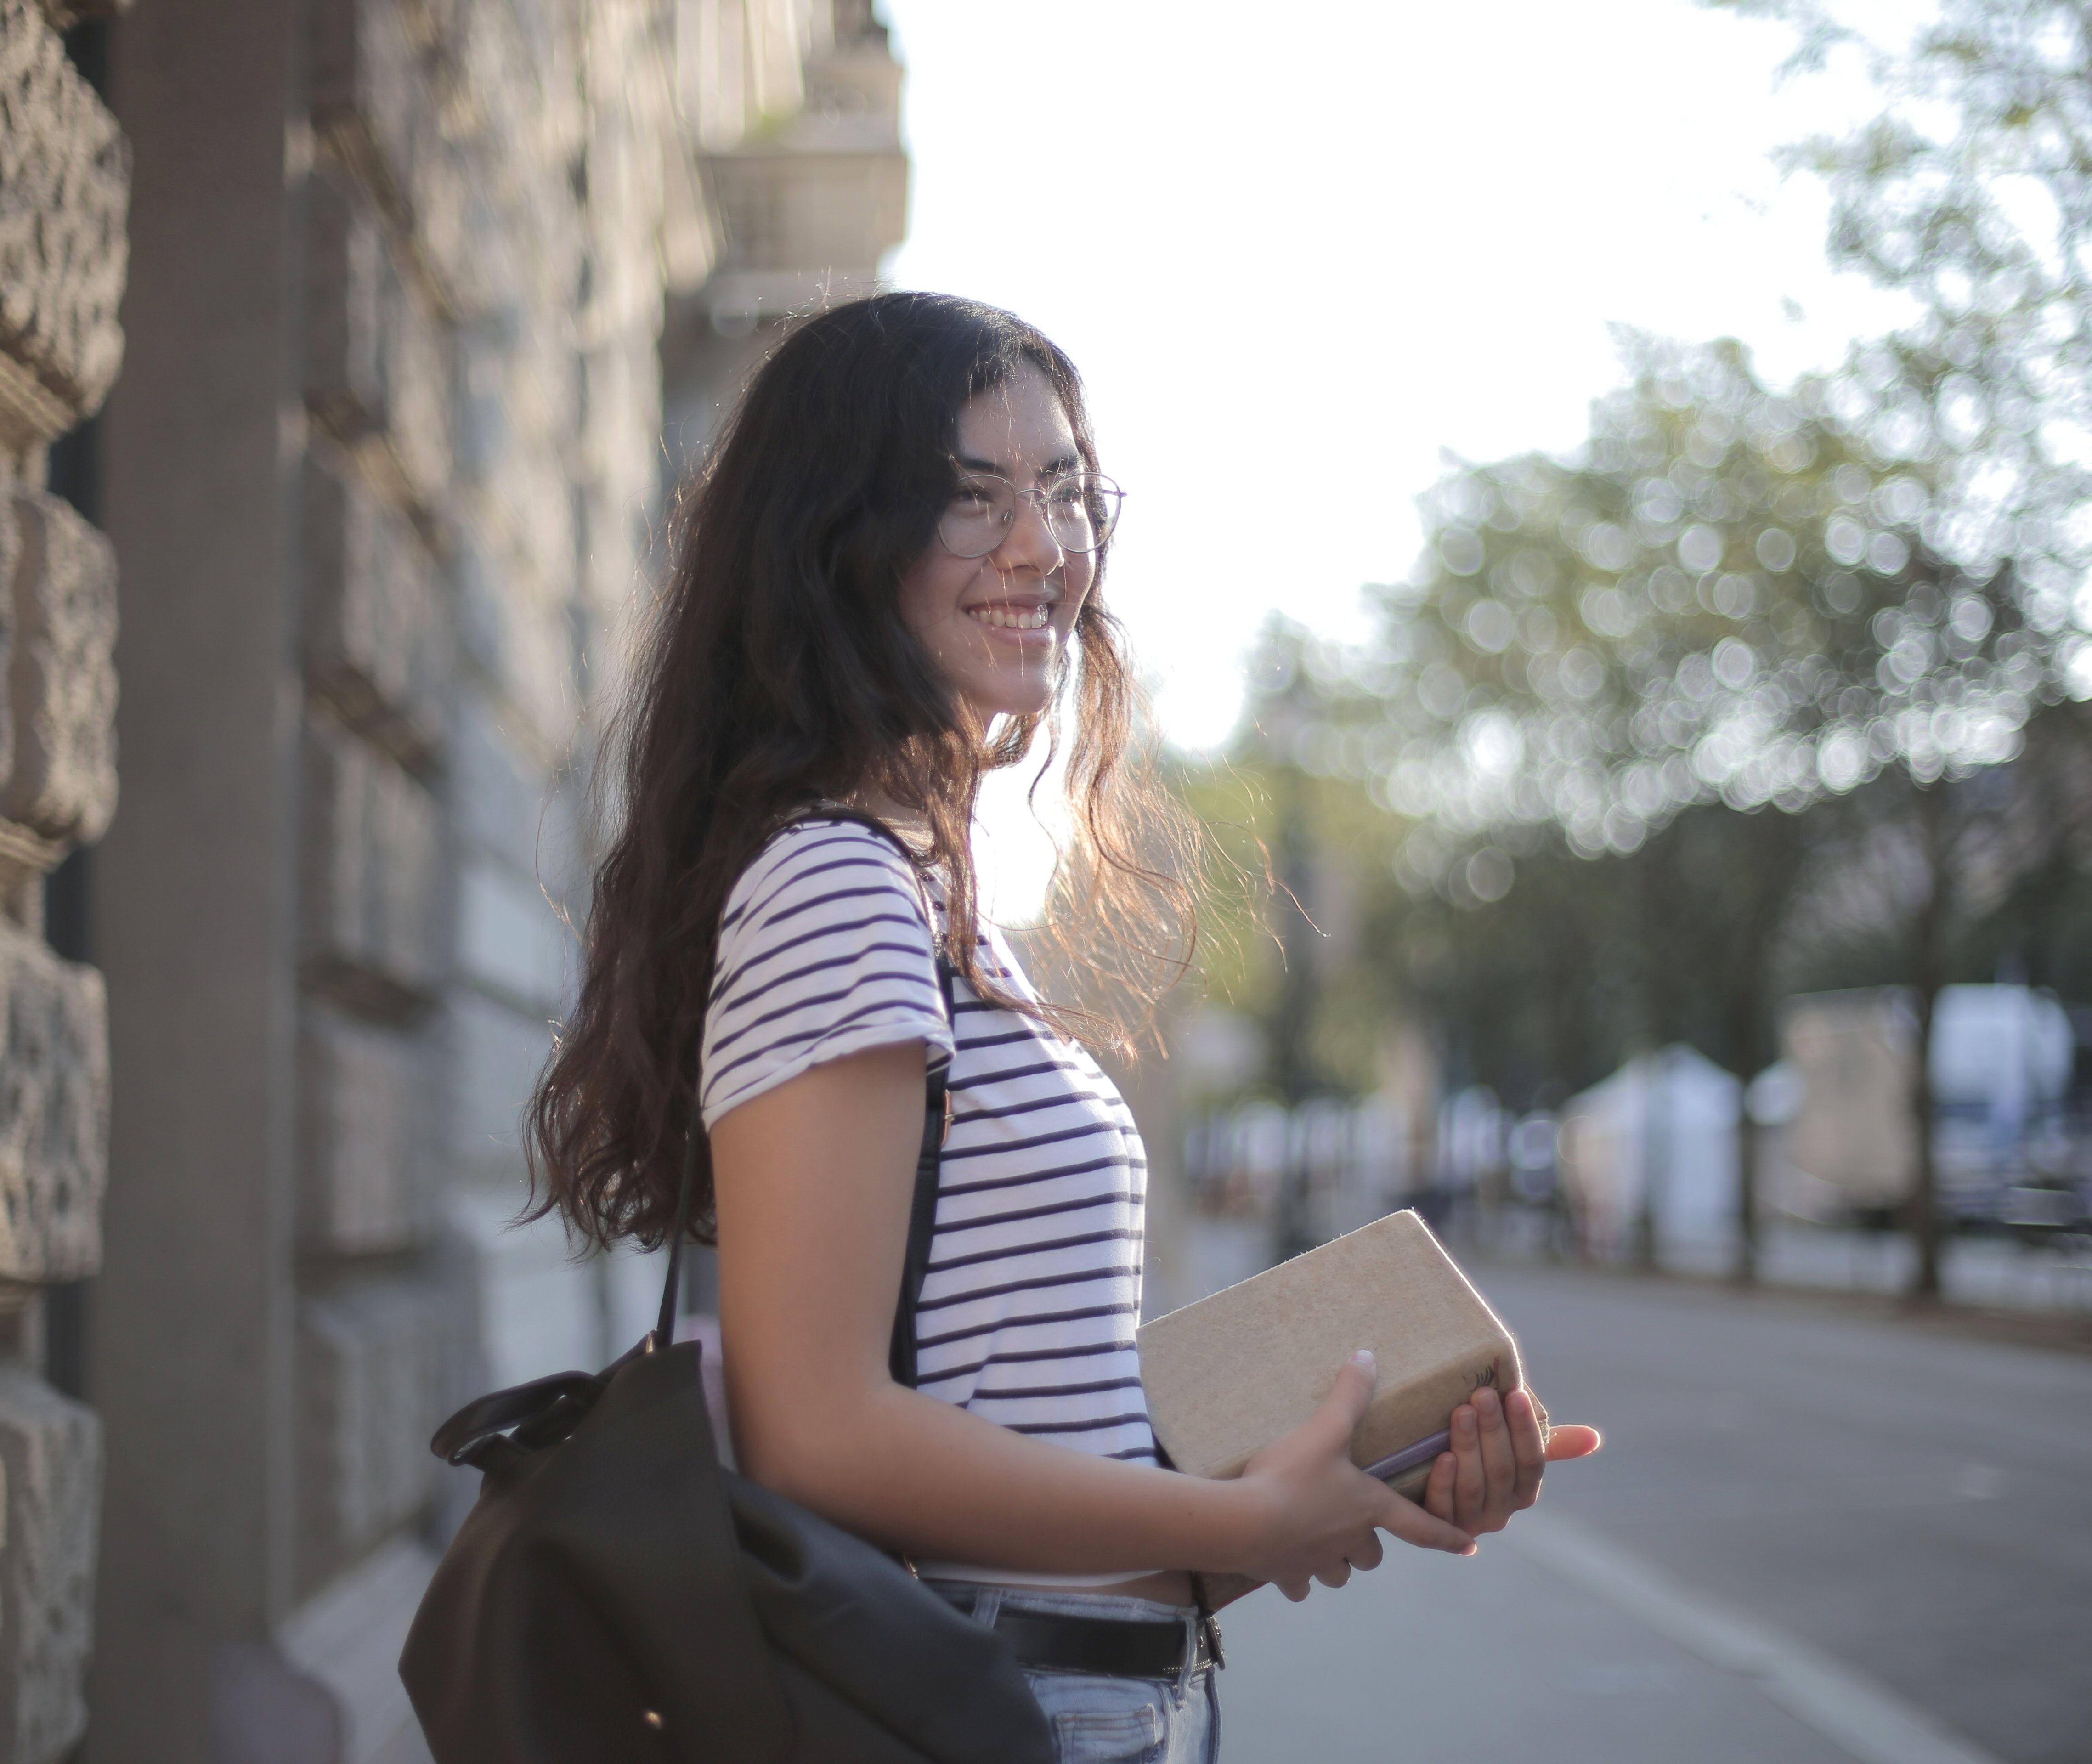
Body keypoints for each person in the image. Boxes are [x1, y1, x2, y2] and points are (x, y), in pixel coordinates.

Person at [526, 292, 1600, 1763]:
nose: (1042, 546)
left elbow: (1018, 1419)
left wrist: (1352, 1473)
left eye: (1065, 491)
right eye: (970, 500)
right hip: (991, 1706)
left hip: (1095, 1690)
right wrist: (1233, 1517)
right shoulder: (840, 883)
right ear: (839, 542)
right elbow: (816, 1428)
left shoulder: (934, 901)